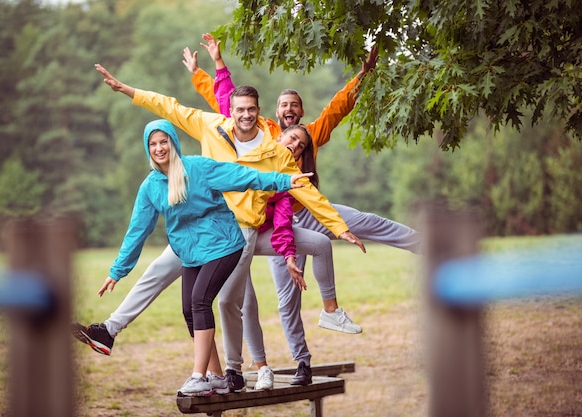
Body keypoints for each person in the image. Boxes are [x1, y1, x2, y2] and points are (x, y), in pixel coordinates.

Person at [86, 64, 366, 393]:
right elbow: (169, 108)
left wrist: (337, 224)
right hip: (198, 227)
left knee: (228, 301)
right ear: (230, 111)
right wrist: (126, 89)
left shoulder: (276, 150)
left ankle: (232, 368)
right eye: (239, 110)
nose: (245, 115)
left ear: (259, 112)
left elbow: (300, 188)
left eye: (251, 110)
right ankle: (110, 329)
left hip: (239, 231)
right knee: (159, 273)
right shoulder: (213, 127)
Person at [185, 33, 423, 384]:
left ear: (301, 112)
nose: (289, 110)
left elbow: (338, 107)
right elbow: (227, 103)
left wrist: (362, 77)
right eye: (283, 105)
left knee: (366, 222)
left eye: (294, 105)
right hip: (274, 222)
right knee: (287, 298)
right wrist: (207, 70)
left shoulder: (311, 132)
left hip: (311, 210)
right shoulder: (264, 132)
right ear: (275, 112)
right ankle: (301, 361)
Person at [73, 119, 312, 396]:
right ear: (147, 148)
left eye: (164, 141)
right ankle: (218, 378)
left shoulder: (198, 168)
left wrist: (283, 180)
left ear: (173, 142)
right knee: (189, 310)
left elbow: (243, 176)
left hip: (223, 244)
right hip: (191, 252)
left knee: (200, 301)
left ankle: (198, 376)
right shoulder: (151, 187)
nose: (159, 148)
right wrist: (117, 270)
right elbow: (137, 231)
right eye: (153, 144)